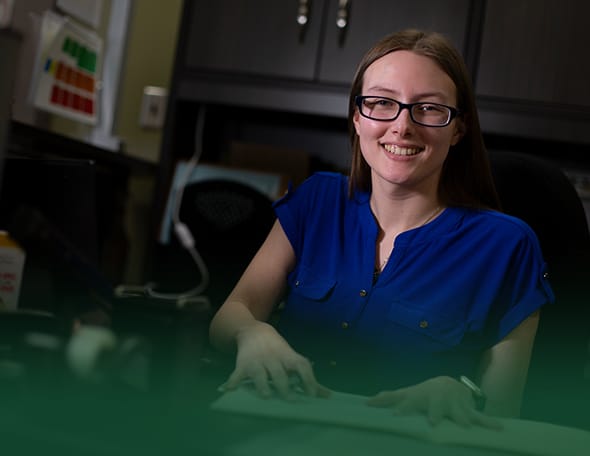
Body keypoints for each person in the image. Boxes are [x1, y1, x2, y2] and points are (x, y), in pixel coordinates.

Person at [209, 29, 554, 427]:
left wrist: (465, 391)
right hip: (277, 433)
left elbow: (503, 410)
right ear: (357, 117)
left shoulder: (508, 246)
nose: (402, 126)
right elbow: (233, 312)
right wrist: (250, 334)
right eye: (381, 103)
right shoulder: (317, 200)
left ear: (458, 128)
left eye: (428, 108)